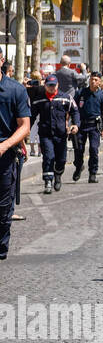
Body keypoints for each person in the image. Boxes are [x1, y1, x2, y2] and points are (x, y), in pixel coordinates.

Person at [0, 61, 31, 260]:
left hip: (5, 155)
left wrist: (4, 145)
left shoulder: (15, 90)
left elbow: (25, 126)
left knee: (3, 209)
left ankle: (1, 246)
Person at [31, 75, 79, 194]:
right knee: (48, 156)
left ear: (57, 85)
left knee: (61, 159)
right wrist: (25, 128)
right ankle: (48, 181)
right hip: (45, 134)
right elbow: (31, 116)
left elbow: (75, 111)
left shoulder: (66, 98)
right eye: (49, 85)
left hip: (61, 134)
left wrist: (76, 124)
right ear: (45, 86)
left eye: (54, 85)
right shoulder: (39, 99)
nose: (52, 88)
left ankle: (58, 175)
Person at [72, 72, 103, 183]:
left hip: (94, 126)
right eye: (91, 79)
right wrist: (70, 123)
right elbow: (73, 108)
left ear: (99, 82)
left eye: (95, 80)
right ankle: (79, 166)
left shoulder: (102, 95)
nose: (93, 81)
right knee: (78, 149)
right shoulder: (81, 93)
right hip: (81, 125)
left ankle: (93, 173)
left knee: (94, 149)